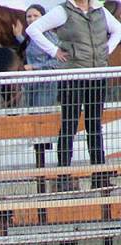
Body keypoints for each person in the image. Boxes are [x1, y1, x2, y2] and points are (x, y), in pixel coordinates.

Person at [27, 0, 121, 190]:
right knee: (69, 124)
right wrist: (54, 51)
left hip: (97, 74)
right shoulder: (63, 11)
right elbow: (33, 30)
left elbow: (118, 29)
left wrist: (106, 50)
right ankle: (63, 175)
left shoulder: (99, 10)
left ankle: (99, 175)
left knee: (94, 125)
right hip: (73, 75)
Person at [13, 4, 63, 107]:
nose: (32, 19)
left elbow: (58, 61)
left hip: (46, 84)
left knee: (41, 116)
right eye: (29, 16)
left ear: (43, 18)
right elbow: (31, 48)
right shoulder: (31, 37)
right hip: (31, 84)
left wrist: (33, 66)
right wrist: (18, 36)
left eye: (36, 16)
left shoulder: (50, 37)